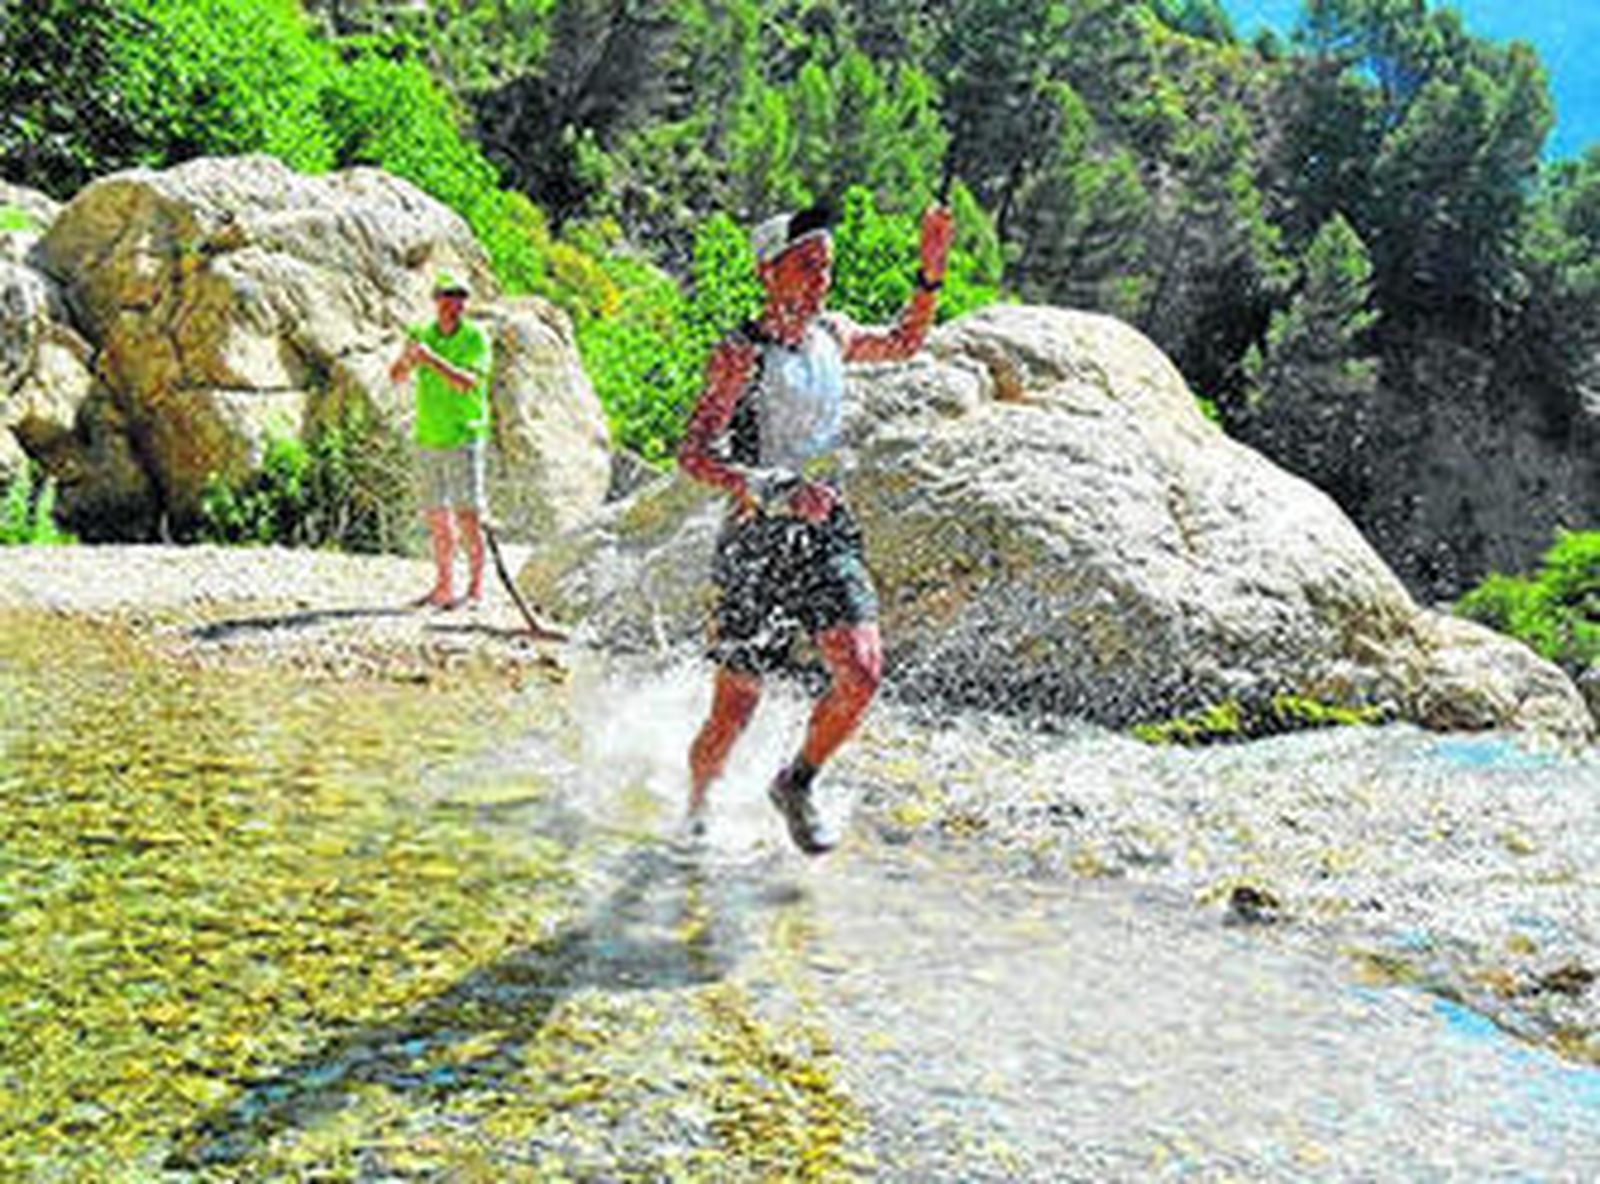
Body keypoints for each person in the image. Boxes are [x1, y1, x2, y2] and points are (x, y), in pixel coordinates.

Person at [678, 200, 954, 854]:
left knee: (861, 672)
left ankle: (797, 781)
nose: (821, 278)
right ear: (769, 272)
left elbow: (907, 341)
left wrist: (931, 271)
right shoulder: (739, 354)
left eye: (826, 265)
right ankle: (692, 816)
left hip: (827, 530)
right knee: (735, 709)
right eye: (807, 265)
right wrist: (773, 485)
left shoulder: (836, 333)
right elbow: (693, 454)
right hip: (755, 542)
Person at [389, 272, 494, 609]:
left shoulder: (476, 337)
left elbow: (467, 382)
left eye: (460, 296)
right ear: (436, 300)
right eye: (448, 296)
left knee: (467, 515)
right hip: (428, 436)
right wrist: (407, 359)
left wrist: (430, 359)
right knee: (437, 517)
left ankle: (476, 590)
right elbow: (396, 376)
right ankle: (443, 587)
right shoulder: (421, 334)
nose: (455, 303)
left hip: (463, 436)